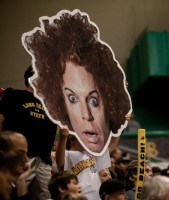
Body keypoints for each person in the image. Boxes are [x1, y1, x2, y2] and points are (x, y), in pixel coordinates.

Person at [22, 9, 132, 155]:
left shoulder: (99, 151)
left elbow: (109, 149)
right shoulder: (61, 155)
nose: (86, 114)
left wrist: (119, 120)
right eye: (72, 98)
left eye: (93, 100)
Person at [0, 66, 58, 200]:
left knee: (46, 196)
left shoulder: (51, 105)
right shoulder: (14, 95)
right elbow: (1, 120)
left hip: (44, 159)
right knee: (13, 192)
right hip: (20, 156)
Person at [56, 126, 110, 200]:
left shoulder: (91, 154)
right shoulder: (67, 154)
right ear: (72, 140)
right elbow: (60, 163)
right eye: (83, 138)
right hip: (78, 198)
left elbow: (110, 146)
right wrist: (63, 137)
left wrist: (119, 129)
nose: (87, 140)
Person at [0, 131, 31, 199]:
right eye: (20, 153)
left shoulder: (13, 184)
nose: (26, 160)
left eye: (26, 153)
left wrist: (21, 181)